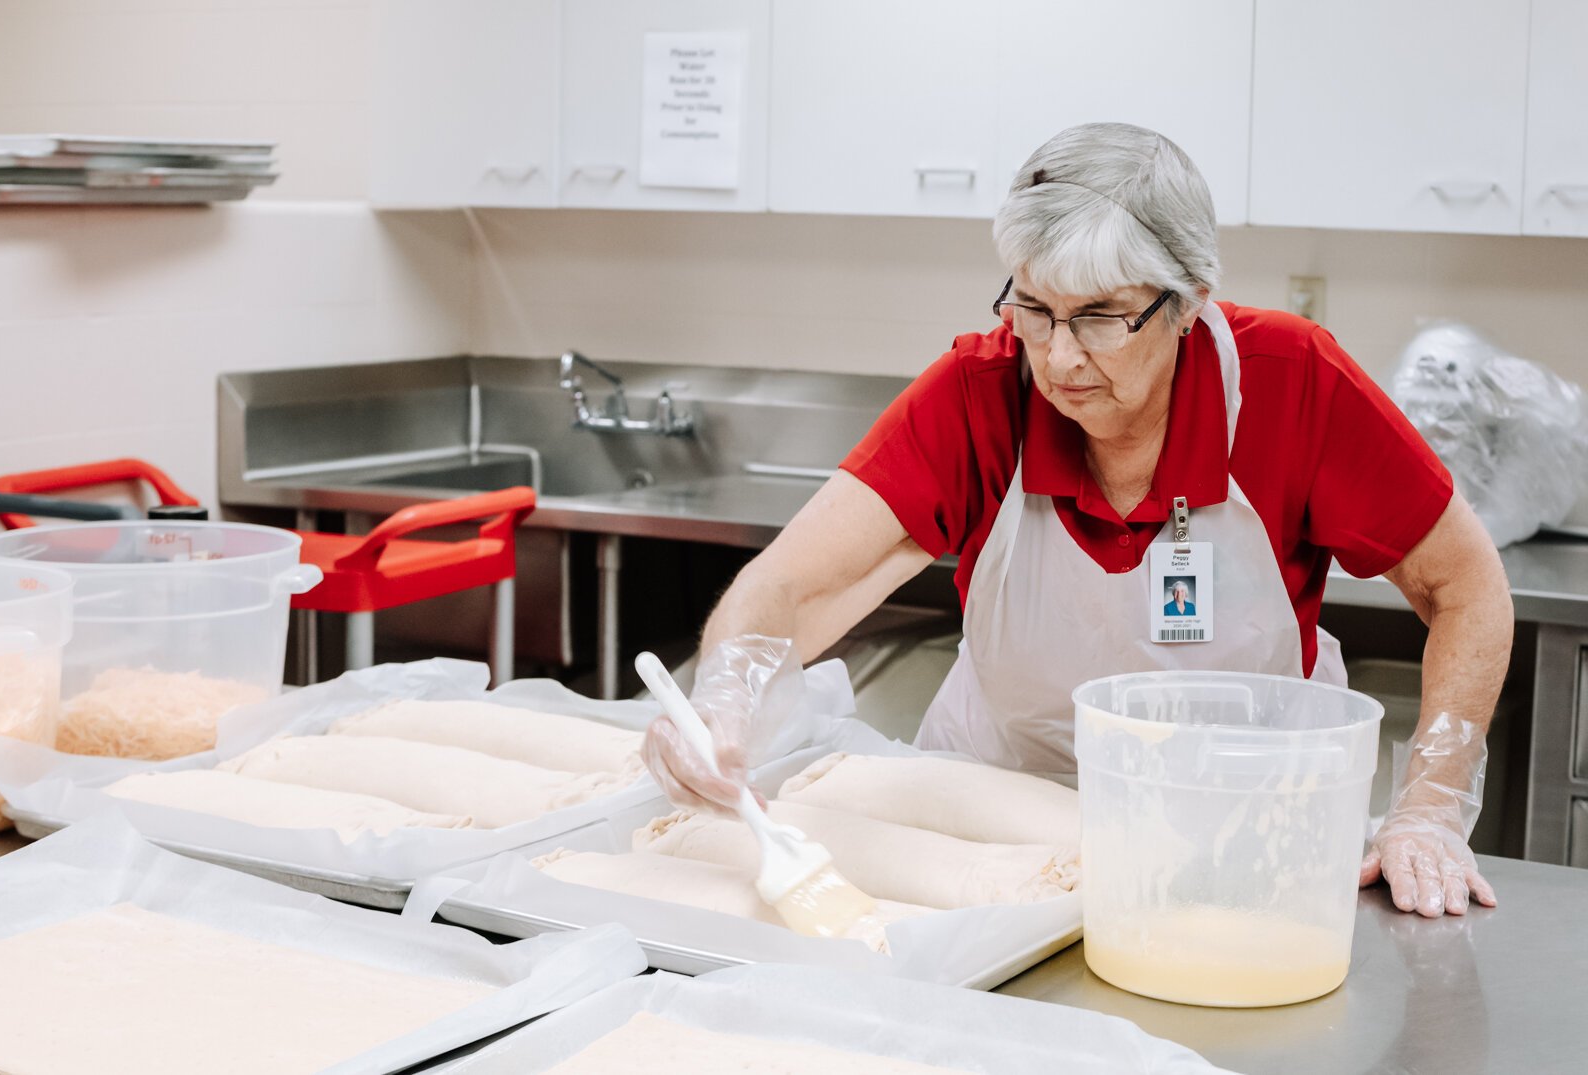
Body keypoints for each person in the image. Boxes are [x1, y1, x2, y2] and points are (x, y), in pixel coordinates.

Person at [642, 123, 1513, 919]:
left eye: (1100, 316)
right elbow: (792, 586)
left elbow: (1465, 586)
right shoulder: (981, 393)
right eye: (1034, 308)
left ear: (1189, 302)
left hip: (1242, 832)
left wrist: (1431, 807)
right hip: (998, 826)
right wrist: (727, 696)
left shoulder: (1293, 383)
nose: (1058, 357)